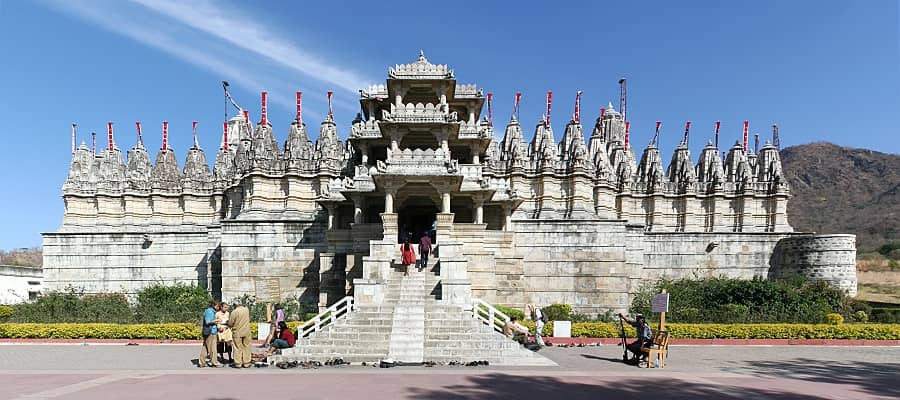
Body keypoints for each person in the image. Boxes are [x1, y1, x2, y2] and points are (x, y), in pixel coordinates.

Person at [228, 300, 252, 368]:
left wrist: (228, 323)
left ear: (235, 305)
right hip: (247, 331)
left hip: (237, 332)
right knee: (246, 347)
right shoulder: (246, 310)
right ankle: (246, 363)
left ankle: (238, 363)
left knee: (237, 347)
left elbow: (230, 323)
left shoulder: (234, 312)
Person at [198, 300, 221, 368]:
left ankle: (202, 362)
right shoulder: (209, 312)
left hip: (211, 331)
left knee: (206, 348)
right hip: (210, 332)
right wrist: (216, 320)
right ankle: (214, 362)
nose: (218, 307)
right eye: (217, 306)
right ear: (214, 306)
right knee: (212, 348)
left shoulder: (211, 311)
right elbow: (208, 322)